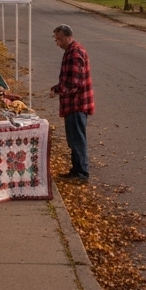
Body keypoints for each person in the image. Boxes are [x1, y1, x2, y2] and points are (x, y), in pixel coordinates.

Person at [49, 24, 94, 183]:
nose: (57, 42)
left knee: (77, 139)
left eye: (59, 39)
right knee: (73, 138)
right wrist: (57, 88)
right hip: (73, 104)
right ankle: (76, 169)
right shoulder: (71, 51)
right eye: (56, 39)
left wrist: (57, 90)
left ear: (68, 36)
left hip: (77, 104)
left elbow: (74, 83)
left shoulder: (75, 54)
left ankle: (82, 172)